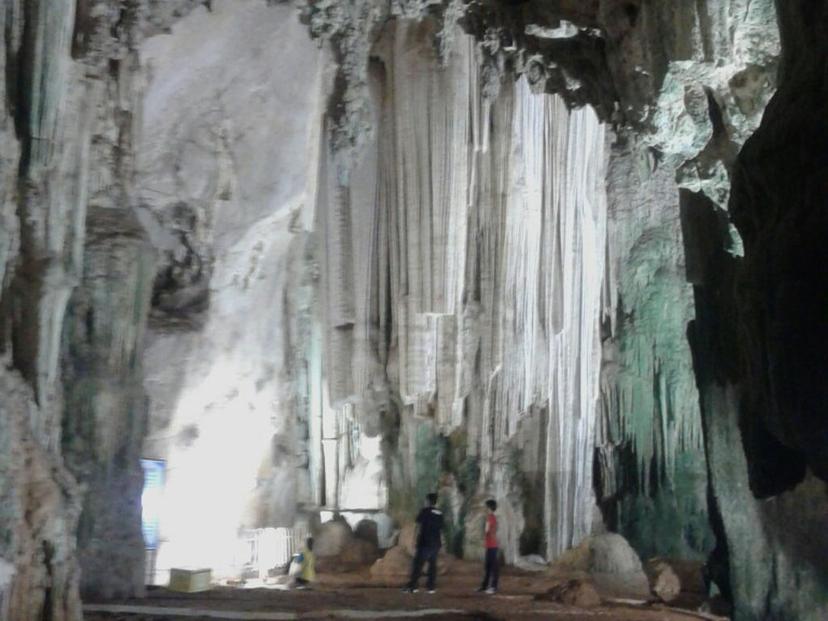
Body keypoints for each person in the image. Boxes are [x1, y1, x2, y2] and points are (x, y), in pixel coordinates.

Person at [402, 493, 444, 594]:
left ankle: (413, 587)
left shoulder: (424, 511)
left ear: (428, 501)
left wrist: (413, 539)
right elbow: (441, 530)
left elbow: (418, 526)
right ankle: (431, 587)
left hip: (424, 542)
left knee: (418, 565)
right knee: (432, 565)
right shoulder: (440, 513)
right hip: (435, 543)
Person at [477, 499, 499, 594]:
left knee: (492, 567)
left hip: (492, 545)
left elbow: (486, 530)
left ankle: (493, 587)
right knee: (488, 566)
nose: (484, 509)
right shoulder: (492, 517)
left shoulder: (490, 518)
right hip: (491, 545)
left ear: (489, 508)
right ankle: (485, 586)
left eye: (485, 507)